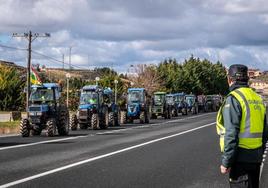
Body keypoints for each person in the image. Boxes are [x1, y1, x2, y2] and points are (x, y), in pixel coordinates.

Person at [216, 64, 268, 188]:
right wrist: (259, 154)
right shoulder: (257, 98)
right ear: (247, 79)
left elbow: (231, 133)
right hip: (255, 158)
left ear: (229, 79)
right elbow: (265, 132)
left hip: (240, 160)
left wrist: (226, 161)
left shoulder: (234, 98)